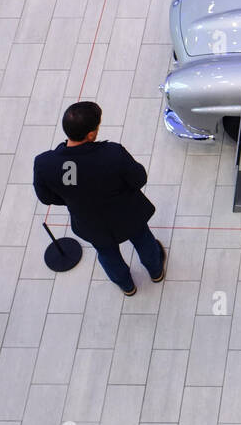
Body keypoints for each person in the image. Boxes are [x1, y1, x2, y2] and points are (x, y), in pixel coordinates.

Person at [33, 102, 166, 296]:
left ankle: (127, 286)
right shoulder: (113, 153)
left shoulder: (44, 163)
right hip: (127, 215)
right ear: (90, 134)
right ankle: (156, 272)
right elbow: (139, 178)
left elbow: (45, 197)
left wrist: (72, 198)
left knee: (106, 253)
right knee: (143, 240)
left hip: (89, 223)